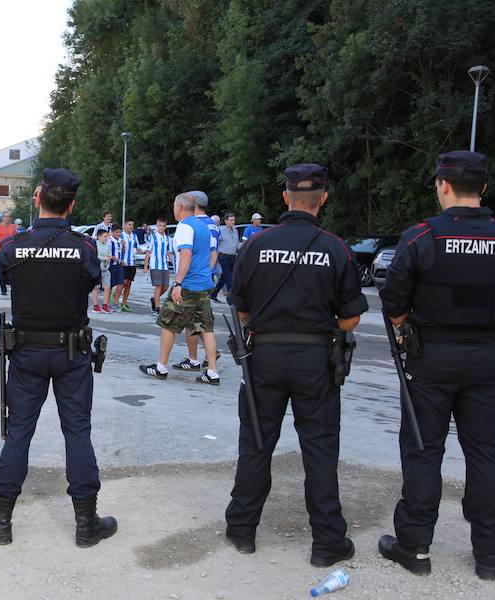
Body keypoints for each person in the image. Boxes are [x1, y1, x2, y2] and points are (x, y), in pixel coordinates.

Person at [378, 151, 495, 581]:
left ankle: (415, 546)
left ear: (442, 185)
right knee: (485, 452)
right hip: (486, 357)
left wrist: (407, 329)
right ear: (484, 188)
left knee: (423, 450)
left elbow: (392, 301)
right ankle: (491, 555)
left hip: (432, 357)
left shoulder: (423, 236)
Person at [223, 163, 366, 567]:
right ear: (323, 198)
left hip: (263, 357)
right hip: (315, 360)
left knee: (256, 445)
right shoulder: (335, 247)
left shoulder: (255, 244)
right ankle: (327, 543)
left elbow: (241, 308)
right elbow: (351, 318)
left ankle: (242, 530)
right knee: (319, 450)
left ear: (285, 196)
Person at [0, 168, 116, 548]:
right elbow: (91, 279)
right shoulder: (84, 247)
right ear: (72, 205)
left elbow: (6, 274)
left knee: (19, 433)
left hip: (26, 354)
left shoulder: (13, 248)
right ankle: (86, 524)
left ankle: (1, 521)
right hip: (71, 353)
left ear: (37, 198)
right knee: (78, 433)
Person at [139, 192, 219, 385]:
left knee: (168, 324)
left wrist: (178, 283)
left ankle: (161, 367)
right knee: (205, 327)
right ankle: (212, 372)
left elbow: (185, 254)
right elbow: (210, 254)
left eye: (175, 205)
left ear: (181, 207)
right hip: (204, 284)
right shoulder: (203, 227)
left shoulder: (184, 227)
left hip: (188, 285)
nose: (173, 209)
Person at [144, 216, 174, 315]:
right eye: (160, 225)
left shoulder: (167, 238)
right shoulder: (153, 237)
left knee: (165, 287)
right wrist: (146, 265)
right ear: (157, 226)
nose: (161, 227)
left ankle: (154, 299)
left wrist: (174, 264)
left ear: (165, 227)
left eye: (163, 226)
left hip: (164, 265)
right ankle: (157, 307)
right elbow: (148, 252)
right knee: (158, 286)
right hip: (155, 265)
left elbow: (169, 253)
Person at [210, 212, 239, 302]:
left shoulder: (236, 231)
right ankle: (232, 299)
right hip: (223, 256)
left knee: (224, 277)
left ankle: (214, 293)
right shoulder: (221, 231)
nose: (233, 222)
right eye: (231, 220)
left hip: (233, 256)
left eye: (233, 220)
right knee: (230, 278)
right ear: (226, 221)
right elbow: (215, 243)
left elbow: (236, 244)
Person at [115, 219, 138, 311]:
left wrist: (141, 250)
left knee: (129, 284)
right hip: (123, 262)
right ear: (124, 226)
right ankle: (115, 300)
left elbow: (137, 247)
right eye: (129, 225)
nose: (131, 226)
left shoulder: (134, 236)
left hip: (132, 262)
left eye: (132, 225)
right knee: (123, 282)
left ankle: (124, 303)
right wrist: (121, 260)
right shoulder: (120, 235)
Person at [0, 212, 17, 296]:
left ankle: (11, 285)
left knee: (12, 269)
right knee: (0, 271)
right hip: (0, 252)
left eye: (9, 217)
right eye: (6, 216)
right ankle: (3, 289)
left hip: (10, 252)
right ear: (3, 218)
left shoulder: (13, 227)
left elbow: (15, 239)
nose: (7, 218)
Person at [91, 229, 112, 313]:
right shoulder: (95, 244)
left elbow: (109, 253)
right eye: (104, 236)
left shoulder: (108, 244)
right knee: (96, 288)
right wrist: (105, 258)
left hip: (106, 269)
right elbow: (96, 256)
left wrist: (109, 257)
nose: (106, 238)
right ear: (99, 237)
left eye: (107, 236)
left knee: (107, 287)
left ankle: (105, 305)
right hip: (97, 269)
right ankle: (95, 306)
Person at [108, 223, 125, 311]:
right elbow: (107, 252)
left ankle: (115, 302)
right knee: (110, 285)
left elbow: (122, 252)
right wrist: (112, 257)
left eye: (119, 232)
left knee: (121, 283)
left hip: (119, 265)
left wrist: (124, 247)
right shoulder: (109, 241)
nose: (118, 234)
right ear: (112, 232)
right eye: (116, 232)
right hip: (111, 265)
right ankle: (107, 303)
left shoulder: (121, 240)